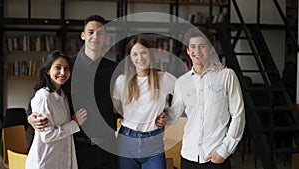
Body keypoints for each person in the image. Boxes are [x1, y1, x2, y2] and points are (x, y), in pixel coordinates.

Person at [27, 15, 119, 169]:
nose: (95, 36)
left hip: (108, 148)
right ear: (83, 36)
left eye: (100, 33)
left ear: (105, 38)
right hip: (78, 148)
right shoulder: (68, 67)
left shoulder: (114, 69)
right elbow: (44, 94)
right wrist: (30, 116)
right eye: (90, 32)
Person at [166, 27, 245, 169]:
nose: (197, 51)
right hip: (189, 155)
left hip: (216, 155)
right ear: (188, 51)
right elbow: (173, 115)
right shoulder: (182, 82)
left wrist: (224, 150)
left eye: (202, 46)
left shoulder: (227, 75)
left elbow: (238, 115)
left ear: (210, 49)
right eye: (193, 47)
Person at [112, 36, 177, 169]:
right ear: (129, 58)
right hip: (126, 141)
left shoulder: (164, 78)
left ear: (150, 55)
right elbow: (114, 109)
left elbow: (187, 93)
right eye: (134, 54)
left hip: (153, 142)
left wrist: (168, 115)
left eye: (144, 53)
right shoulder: (121, 81)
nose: (140, 58)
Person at [25, 50, 88, 169]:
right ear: (48, 70)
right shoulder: (44, 96)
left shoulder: (63, 95)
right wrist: (74, 123)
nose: (63, 72)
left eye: (66, 68)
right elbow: (47, 135)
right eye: (57, 68)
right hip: (46, 161)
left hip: (61, 159)